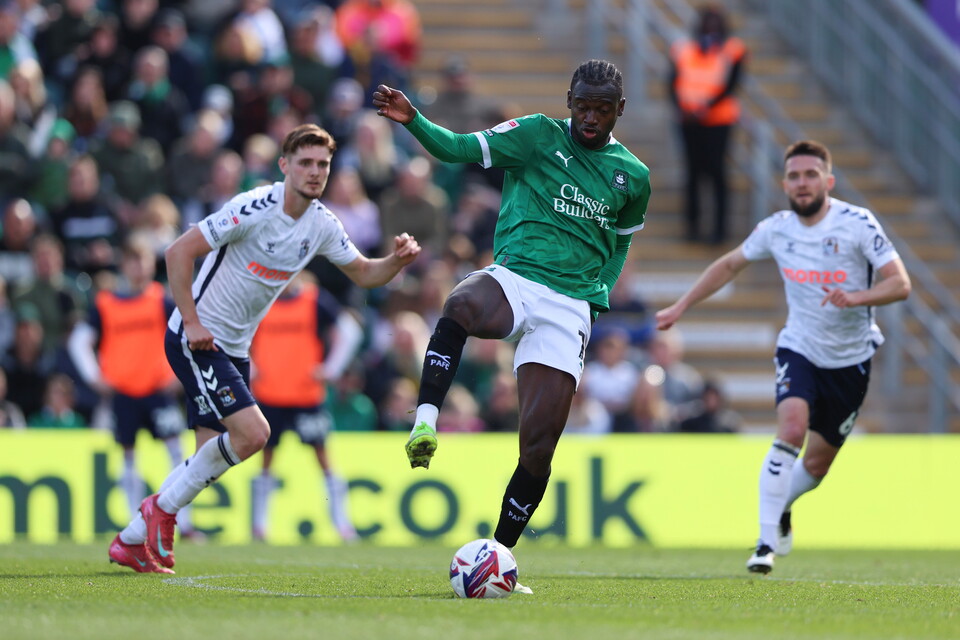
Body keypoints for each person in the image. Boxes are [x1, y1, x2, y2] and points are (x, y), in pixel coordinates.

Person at [372, 59, 650, 580]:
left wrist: (599, 295)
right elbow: (457, 149)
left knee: (539, 449)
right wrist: (413, 121)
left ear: (620, 110)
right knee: (461, 303)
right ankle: (425, 422)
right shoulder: (536, 135)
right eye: (583, 106)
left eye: (602, 109)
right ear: (569, 99)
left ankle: (497, 558)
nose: (590, 117)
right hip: (517, 279)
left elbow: (621, 242)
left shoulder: (633, 175)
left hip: (570, 306)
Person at [108, 123, 421, 574]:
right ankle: (162, 511)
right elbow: (178, 251)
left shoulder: (322, 225)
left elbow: (365, 273)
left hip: (233, 348)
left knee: (206, 458)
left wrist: (396, 261)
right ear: (284, 166)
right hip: (198, 339)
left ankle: (131, 539)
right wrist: (193, 321)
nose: (315, 173)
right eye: (306, 163)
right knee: (253, 434)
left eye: (323, 165)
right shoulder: (254, 207)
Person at [654, 140, 911, 574]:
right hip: (800, 348)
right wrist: (681, 306)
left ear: (828, 181)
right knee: (790, 429)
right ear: (784, 184)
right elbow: (730, 264)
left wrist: (856, 297)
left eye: (811, 175)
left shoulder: (858, 224)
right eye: (794, 176)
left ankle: (784, 506)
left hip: (850, 360)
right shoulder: (776, 228)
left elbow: (900, 284)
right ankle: (765, 542)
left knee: (816, 463)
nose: (802, 183)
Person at [67, 235, 192, 531]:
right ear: (124, 265)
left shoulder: (161, 300)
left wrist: (178, 375)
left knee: (176, 454)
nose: (138, 267)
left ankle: (183, 523)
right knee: (128, 457)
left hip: (157, 390)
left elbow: (186, 336)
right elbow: (79, 341)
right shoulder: (106, 303)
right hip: (123, 392)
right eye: (132, 261)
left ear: (151, 265)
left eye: (143, 260)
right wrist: (95, 377)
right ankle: (133, 525)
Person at [248, 272, 364, 543]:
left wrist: (332, 368)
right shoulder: (262, 301)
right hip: (270, 393)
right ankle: (259, 526)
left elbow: (350, 332)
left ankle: (342, 524)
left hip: (306, 394)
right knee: (266, 459)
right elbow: (239, 336)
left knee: (323, 458)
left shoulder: (315, 300)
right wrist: (252, 369)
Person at [667, 3, 746, 244]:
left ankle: (719, 231)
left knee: (717, 174)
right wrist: (683, 109)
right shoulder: (683, 49)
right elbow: (672, 82)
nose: (710, 27)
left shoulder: (732, 50)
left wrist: (705, 107)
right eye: (707, 22)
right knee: (692, 173)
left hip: (718, 122)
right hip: (689, 121)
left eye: (715, 22)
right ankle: (692, 228)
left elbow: (731, 85)